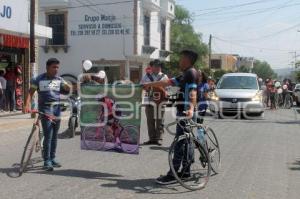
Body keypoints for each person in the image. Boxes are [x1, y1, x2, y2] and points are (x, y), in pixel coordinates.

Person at [143, 50, 199, 184]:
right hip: (184, 112)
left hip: (186, 113)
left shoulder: (190, 73)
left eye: (181, 58)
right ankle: (185, 172)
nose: (179, 61)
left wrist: (190, 109)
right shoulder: (185, 74)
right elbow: (167, 82)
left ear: (187, 60)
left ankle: (173, 174)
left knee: (180, 144)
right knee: (186, 142)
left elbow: (192, 92)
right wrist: (149, 85)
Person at [25, 58, 70, 171]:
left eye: (57, 67)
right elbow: (31, 92)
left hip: (57, 109)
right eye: (54, 67)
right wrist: (26, 104)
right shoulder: (38, 79)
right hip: (45, 109)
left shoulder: (59, 80)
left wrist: (69, 87)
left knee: (55, 136)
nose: (56, 69)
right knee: (48, 135)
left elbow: (67, 89)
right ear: (47, 67)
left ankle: (53, 158)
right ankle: (46, 160)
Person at [140, 60, 168, 146]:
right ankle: (152, 139)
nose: (157, 67)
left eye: (159, 66)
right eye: (155, 66)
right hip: (149, 101)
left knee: (160, 120)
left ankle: (159, 138)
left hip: (160, 101)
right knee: (150, 120)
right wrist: (146, 87)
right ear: (151, 67)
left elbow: (168, 88)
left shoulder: (164, 76)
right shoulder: (146, 76)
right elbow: (141, 85)